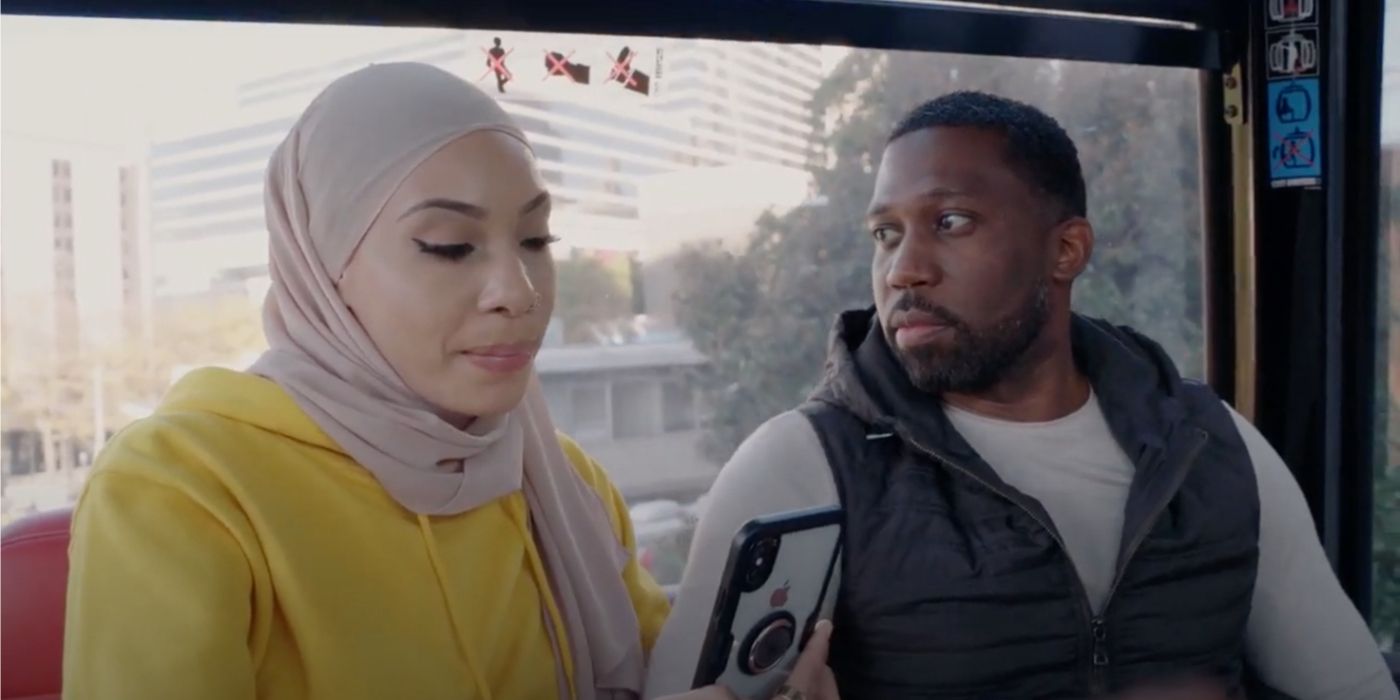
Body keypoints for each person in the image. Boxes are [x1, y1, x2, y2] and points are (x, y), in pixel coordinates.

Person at [61, 63, 834, 700]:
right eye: (448, 245)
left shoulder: (565, 484)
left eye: (536, 238)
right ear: (324, 271)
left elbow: (666, 672)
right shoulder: (181, 492)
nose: (520, 291)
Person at [645, 92, 1400, 699]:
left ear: (1065, 250)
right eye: (885, 234)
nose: (903, 270)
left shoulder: (1212, 444)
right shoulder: (802, 466)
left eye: (950, 222)